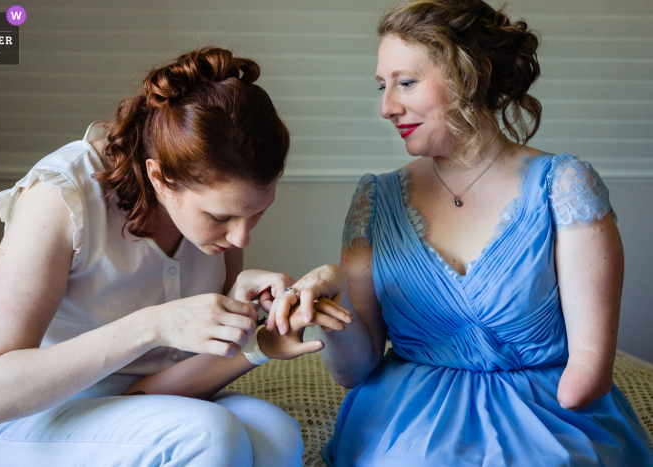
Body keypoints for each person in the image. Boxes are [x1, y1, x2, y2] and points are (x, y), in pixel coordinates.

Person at [269, 1, 653, 465]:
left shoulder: (564, 186)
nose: (388, 107)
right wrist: (333, 303)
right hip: (405, 422)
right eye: (382, 87)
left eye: (406, 82)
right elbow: (356, 371)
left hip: (550, 416)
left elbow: (587, 375)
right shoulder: (375, 200)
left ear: (474, 74)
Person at [0, 47, 351, 467]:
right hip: (32, 419)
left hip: (147, 405)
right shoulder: (62, 196)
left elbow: (149, 392)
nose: (240, 236)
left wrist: (258, 343)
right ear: (159, 177)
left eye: (257, 213)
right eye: (220, 216)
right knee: (209, 436)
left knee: (276, 436)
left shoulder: (223, 234)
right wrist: (153, 326)